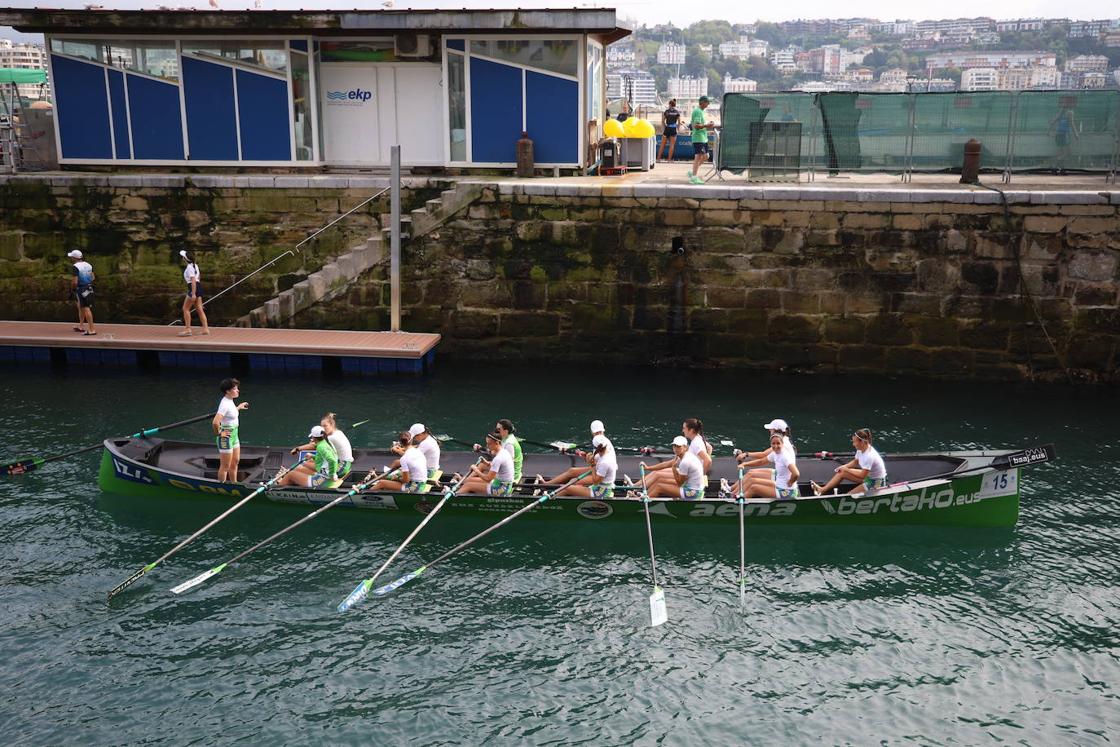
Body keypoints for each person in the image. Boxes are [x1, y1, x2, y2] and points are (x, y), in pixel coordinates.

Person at [643, 418, 712, 494]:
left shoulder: (696, 444)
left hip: (691, 481)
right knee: (657, 474)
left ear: (691, 430)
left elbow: (708, 460)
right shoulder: (698, 438)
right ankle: (635, 487)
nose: (683, 431)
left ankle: (637, 491)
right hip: (690, 473)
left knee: (658, 475)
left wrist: (701, 476)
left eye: (684, 428)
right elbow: (709, 447)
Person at [811, 428, 888, 496]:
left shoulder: (869, 456)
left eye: (854, 442)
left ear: (862, 442)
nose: (853, 444)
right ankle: (822, 490)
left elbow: (862, 475)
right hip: (868, 477)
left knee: (849, 496)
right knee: (842, 472)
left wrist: (847, 470)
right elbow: (855, 461)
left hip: (876, 482)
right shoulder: (860, 450)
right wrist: (844, 467)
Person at [539, 419, 614, 486]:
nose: (597, 434)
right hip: (598, 469)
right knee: (571, 471)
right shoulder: (601, 442)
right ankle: (547, 484)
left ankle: (566, 492)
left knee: (573, 482)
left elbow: (593, 464)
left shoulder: (598, 442)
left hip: (601, 476)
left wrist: (590, 462)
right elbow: (594, 460)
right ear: (603, 430)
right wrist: (584, 455)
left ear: (591, 431)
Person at [737, 432, 801, 500]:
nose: (776, 446)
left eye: (778, 443)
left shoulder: (785, 457)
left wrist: (790, 482)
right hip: (779, 486)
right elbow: (761, 461)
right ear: (771, 444)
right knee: (753, 481)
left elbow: (796, 473)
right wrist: (744, 464)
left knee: (754, 488)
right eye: (773, 443)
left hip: (787, 492)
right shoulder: (775, 453)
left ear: (782, 444)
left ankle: (736, 504)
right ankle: (734, 495)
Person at [291, 412, 353, 480]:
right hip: (346, 464)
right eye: (321, 426)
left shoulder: (331, 438)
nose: (323, 429)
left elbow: (314, 446)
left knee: (305, 464)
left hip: (341, 467)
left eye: (325, 426)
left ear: (332, 425)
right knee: (312, 460)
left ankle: (310, 477)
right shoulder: (338, 432)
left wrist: (297, 449)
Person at [212, 378, 248, 483]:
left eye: (237, 388)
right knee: (225, 466)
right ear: (228, 391)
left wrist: (239, 407)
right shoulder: (224, 404)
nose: (238, 390)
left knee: (235, 462)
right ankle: (222, 486)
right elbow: (215, 422)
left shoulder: (230, 402)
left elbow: (229, 414)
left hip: (234, 435)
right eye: (235, 389)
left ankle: (234, 483)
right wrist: (219, 433)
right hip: (226, 438)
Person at [460, 431, 516, 496]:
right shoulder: (504, 451)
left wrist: (476, 470)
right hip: (504, 485)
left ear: (497, 442)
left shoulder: (498, 458)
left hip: (501, 490)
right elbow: (499, 468)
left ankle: (453, 498)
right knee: (469, 481)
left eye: (489, 444)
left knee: (468, 485)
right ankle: (461, 486)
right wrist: (487, 463)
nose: (487, 446)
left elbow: (488, 479)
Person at [178, 249, 210, 337]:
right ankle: (205, 329)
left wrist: (193, 293)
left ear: (185, 259)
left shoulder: (189, 267)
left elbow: (193, 280)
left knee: (185, 308)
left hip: (193, 288)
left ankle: (188, 329)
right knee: (199, 309)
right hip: (198, 287)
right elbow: (198, 277)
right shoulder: (195, 265)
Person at [67, 249, 96, 336]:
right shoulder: (88, 265)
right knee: (80, 306)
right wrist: (87, 282)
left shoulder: (75, 267)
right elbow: (93, 277)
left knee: (86, 308)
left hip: (81, 288)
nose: (71, 258)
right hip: (89, 287)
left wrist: (73, 289)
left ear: (74, 258)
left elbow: (75, 282)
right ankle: (81, 326)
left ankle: (92, 329)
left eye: (72, 257)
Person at [688, 96, 714, 185]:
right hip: (698, 137)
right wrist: (707, 125)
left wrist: (708, 125)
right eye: (707, 102)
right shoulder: (698, 111)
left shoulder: (702, 111)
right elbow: (696, 126)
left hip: (703, 138)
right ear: (702, 102)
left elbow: (701, 125)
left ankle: (692, 172)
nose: (708, 104)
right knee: (698, 156)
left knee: (706, 156)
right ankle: (694, 178)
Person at [495, 419, 523, 485]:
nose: (496, 431)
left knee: (483, 467)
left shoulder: (509, 444)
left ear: (506, 431)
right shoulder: (505, 437)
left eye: (499, 429)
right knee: (483, 466)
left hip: (513, 474)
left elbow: (509, 464)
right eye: (496, 429)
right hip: (509, 470)